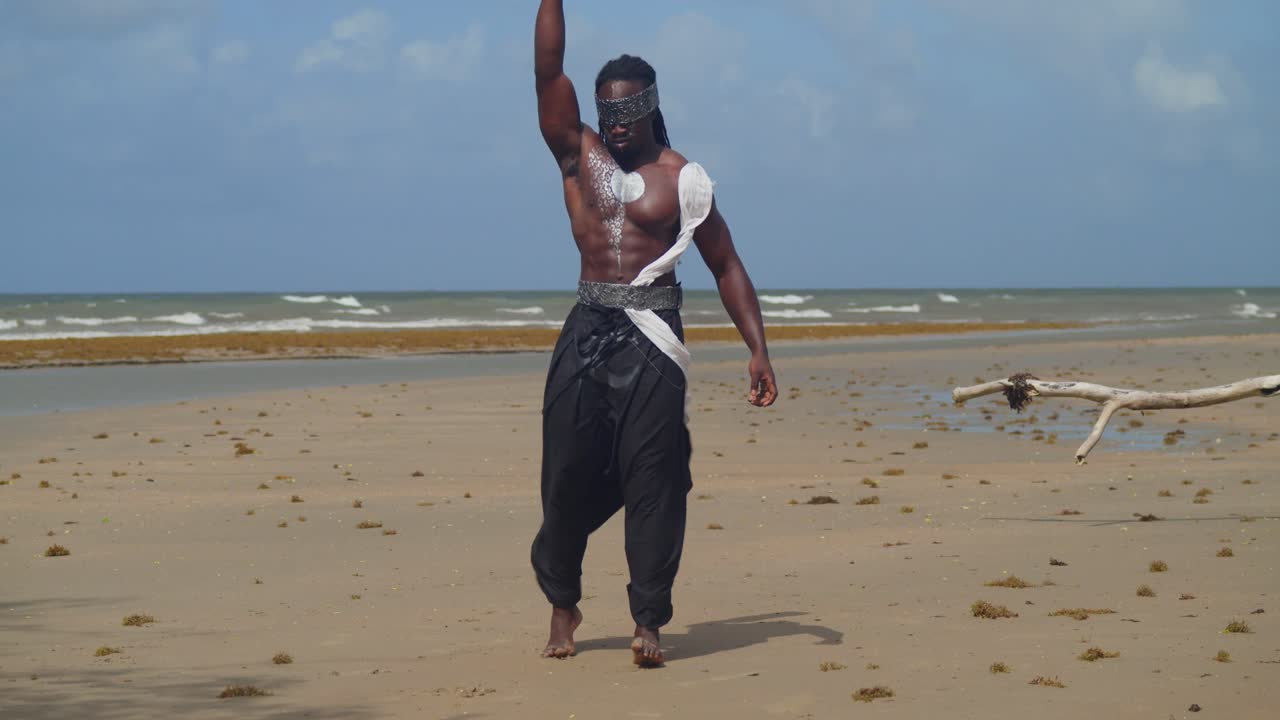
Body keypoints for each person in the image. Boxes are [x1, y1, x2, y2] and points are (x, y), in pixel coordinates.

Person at [531, 0, 778, 668]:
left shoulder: (683, 179)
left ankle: (648, 620)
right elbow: (547, 71)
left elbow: (725, 263)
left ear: (646, 107)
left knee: (655, 481)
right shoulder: (577, 157)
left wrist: (758, 348)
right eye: (602, 113)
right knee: (564, 478)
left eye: (622, 114)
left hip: (652, 340)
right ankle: (563, 600)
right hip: (586, 332)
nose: (611, 126)